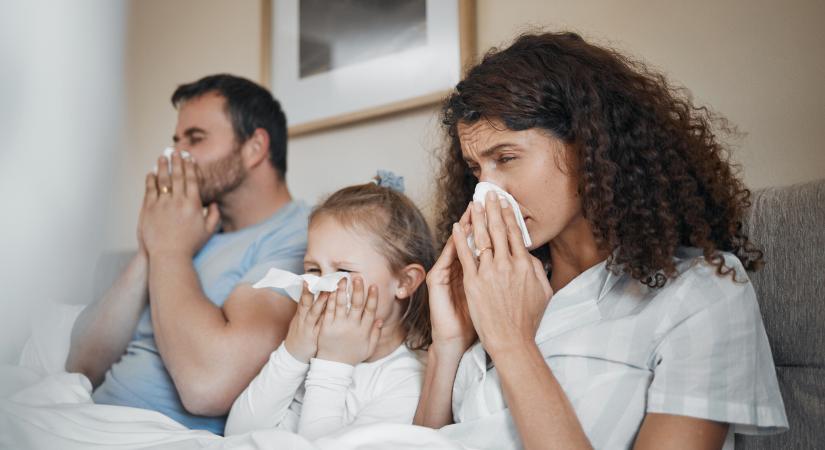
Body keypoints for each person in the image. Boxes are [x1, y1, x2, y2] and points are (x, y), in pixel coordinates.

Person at [413, 32, 788, 449]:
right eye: (476, 170)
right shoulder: (495, 288)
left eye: (505, 158)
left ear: (588, 146)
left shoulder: (702, 294)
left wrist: (514, 346)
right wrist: (448, 344)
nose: (487, 193)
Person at [65, 74, 309, 435]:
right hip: (86, 415)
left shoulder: (301, 236)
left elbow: (207, 386)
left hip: (145, 435)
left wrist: (169, 250)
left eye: (196, 139)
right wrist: (153, 243)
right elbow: (80, 367)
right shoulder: (184, 230)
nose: (175, 155)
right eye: (176, 141)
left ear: (255, 147)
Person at [225, 175, 435, 440]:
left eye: (343, 271)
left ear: (404, 282)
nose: (321, 285)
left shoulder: (408, 378)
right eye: (312, 269)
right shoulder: (309, 349)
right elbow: (237, 435)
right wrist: (293, 352)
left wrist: (334, 364)